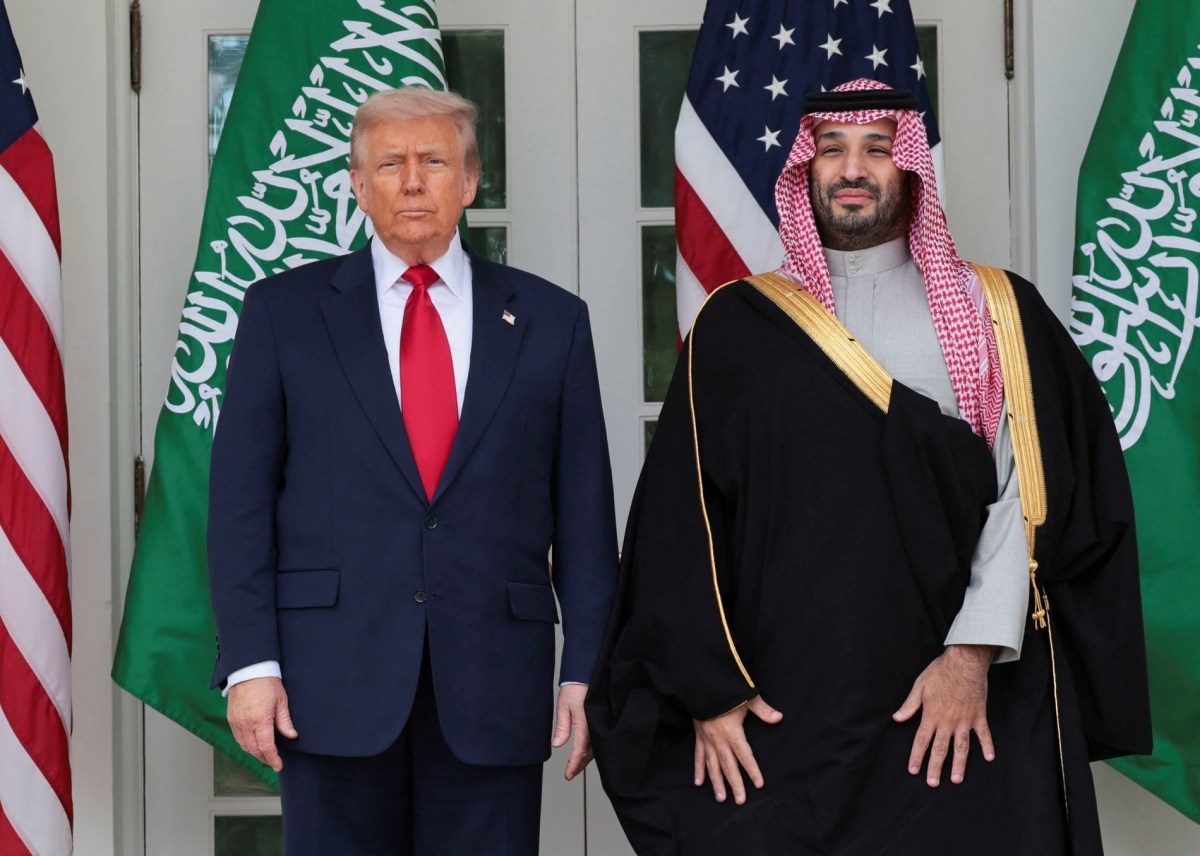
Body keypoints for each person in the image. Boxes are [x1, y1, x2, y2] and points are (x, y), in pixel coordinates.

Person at [587, 79, 1151, 855]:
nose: (853, 169)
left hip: (953, 703)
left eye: (877, 150)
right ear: (804, 171)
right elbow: (680, 526)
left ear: (910, 168)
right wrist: (707, 691)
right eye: (832, 150)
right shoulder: (739, 325)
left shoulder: (997, 312)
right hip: (787, 706)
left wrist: (971, 656)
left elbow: (1032, 499)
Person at [207, 87, 618, 856]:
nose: (413, 182)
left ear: (469, 180)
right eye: (389, 164)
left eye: (434, 161)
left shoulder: (552, 321)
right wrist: (250, 665)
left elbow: (586, 517)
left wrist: (585, 669)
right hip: (327, 687)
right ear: (359, 186)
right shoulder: (282, 314)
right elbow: (238, 506)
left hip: (493, 682)